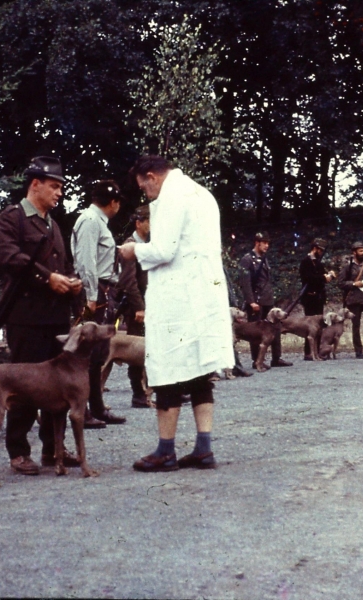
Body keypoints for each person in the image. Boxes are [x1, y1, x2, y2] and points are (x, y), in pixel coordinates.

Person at [118, 155, 235, 472]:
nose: (145, 193)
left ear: (152, 176)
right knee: (200, 371)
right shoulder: (201, 193)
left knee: (167, 370)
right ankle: (203, 448)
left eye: (144, 187)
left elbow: (163, 250)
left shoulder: (172, 196)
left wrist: (133, 250)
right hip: (203, 297)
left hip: (177, 300)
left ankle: (165, 451)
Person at [0, 156, 84, 476]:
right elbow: (8, 256)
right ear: (35, 185)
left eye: (61, 187)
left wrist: (72, 283)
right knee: (25, 386)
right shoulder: (12, 218)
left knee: (57, 387)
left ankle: (53, 449)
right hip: (26, 318)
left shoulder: (52, 225)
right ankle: (18, 452)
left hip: (56, 318)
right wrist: (48, 279)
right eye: (54, 186)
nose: (59, 193)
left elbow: (64, 266)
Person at [70, 180, 127, 426]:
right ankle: (82, 411)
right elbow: (86, 261)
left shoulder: (98, 222)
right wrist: (91, 296)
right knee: (87, 354)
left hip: (103, 290)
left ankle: (97, 407)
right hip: (94, 292)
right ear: (113, 202)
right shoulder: (91, 221)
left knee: (99, 352)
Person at [117, 204, 154, 407]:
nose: (152, 225)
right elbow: (128, 280)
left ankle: (153, 390)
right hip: (136, 307)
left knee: (150, 348)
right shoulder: (130, 246)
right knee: (135, 350)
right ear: (139, 223)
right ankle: (138, 394)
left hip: (147, 304)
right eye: (149, 221)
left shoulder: (145, 245)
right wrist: (139, 307)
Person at [238, 232, 293, 369]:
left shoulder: (264, 258)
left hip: (267, 300)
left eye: (268, 243)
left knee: (276, 328)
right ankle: (257, 360)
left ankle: (276, 358)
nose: (267, 246)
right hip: (256, 301)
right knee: (255, 331)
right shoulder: (247, 259)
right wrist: (251, 301)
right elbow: (245, 282)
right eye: (264, 243)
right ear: (257, 243)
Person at [299, 238, 336, 360]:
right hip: (309, 298)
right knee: (310, 326)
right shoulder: (305, 262)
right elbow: (308, 278)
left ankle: (317, 352)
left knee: (319, 326)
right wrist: (323, 278)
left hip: (318, 297)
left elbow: (321, 277)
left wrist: (329, 276)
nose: (321, 252)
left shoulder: (318, 263)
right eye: (320, 250)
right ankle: (308, 352)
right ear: (315, 248)